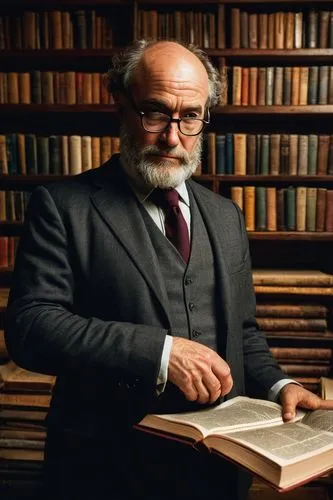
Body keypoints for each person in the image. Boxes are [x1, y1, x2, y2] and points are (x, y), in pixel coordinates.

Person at [5, 39, 333, 500]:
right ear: (121, 107)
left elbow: (242, 331)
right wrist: (160, 353)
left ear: (204, 118)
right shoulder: (62, 206)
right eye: (155, 113)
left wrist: (282, 385)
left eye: (191, 116)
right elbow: (31, 327)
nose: (173, 137)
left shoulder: (225, 215)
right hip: (103, 469)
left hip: (218, 470)